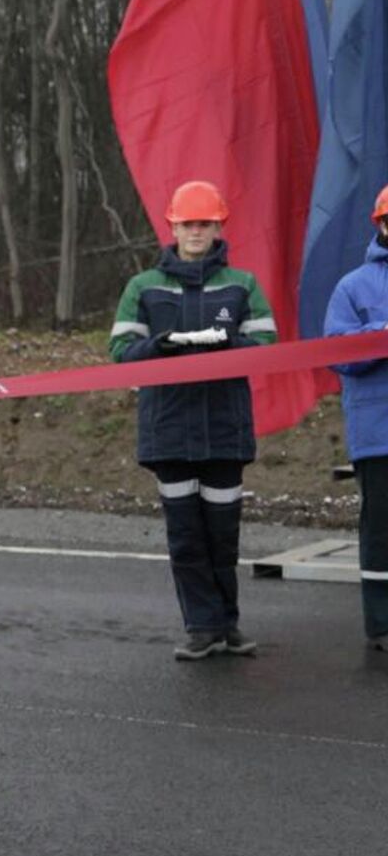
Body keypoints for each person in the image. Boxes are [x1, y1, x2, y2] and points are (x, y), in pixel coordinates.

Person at [110, 179, 277, 660]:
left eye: (205, 223)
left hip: (225, 430)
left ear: (219, 225)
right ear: (173, 227)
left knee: (223, 534)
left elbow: (266, 348)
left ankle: (228, 624)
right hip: (170, 431)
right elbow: (121, 352)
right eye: (188, 224)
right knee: (185, 535)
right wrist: (157, 347)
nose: (196, 231)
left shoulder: (242, 285)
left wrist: (228, 347)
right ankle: (202, 628)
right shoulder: (142, 287)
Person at [321, 182, 388, 653]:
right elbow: (338, 352)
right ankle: (382, 623)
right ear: (380, 224)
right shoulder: (353, 286)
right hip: (379, 432)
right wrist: (380, 334)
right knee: (381, 527)